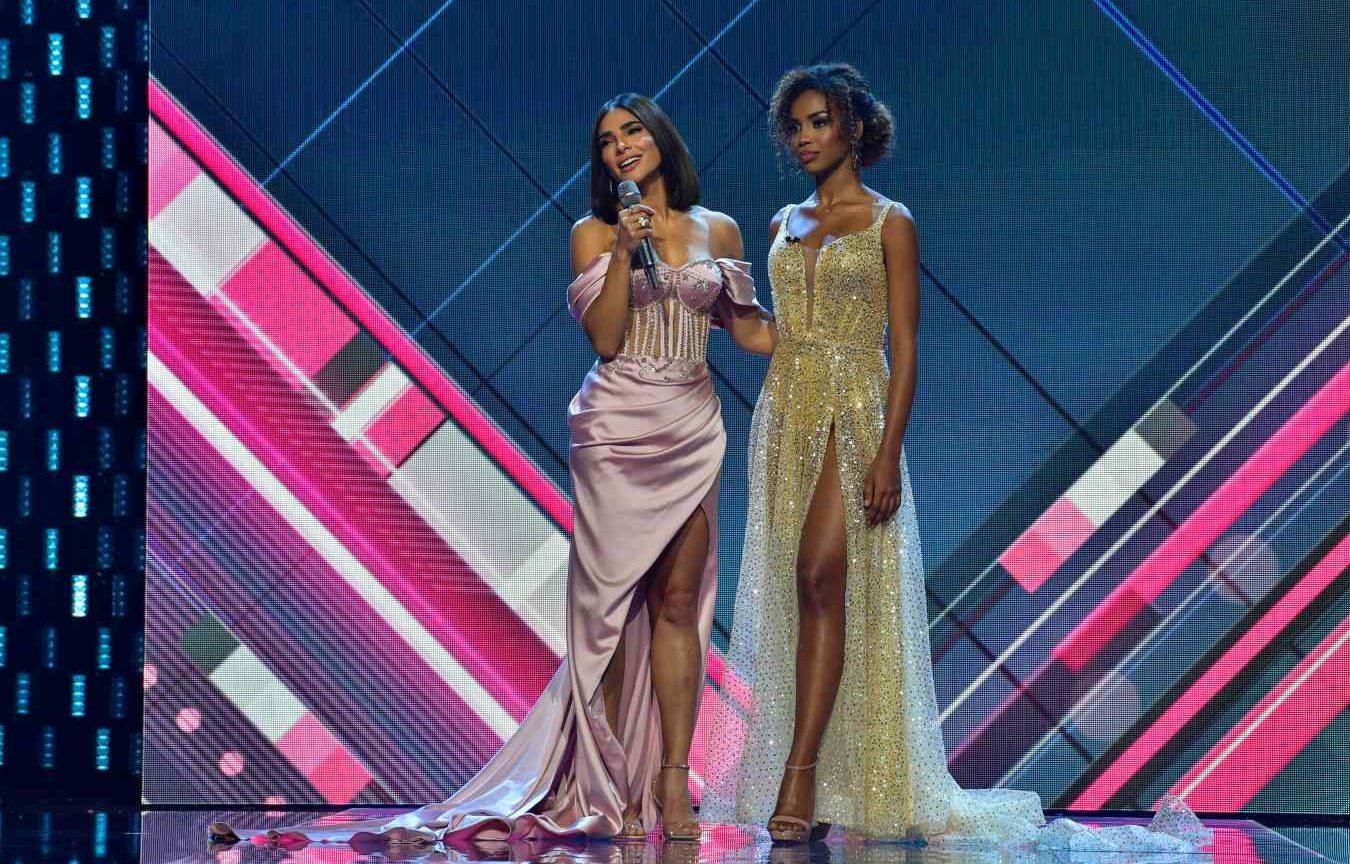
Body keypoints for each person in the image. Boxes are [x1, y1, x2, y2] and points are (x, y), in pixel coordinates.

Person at [209, 92, 773, 847]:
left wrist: (819, 330)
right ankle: (606, 783)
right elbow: (606, 338)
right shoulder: (592, 232)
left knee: (678, 604)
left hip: (692, 426)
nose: (620, 147)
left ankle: (673, 782)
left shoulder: (719, 229)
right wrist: (620, 253)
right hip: (617, 429)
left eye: (632, 131)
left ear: (661, 138)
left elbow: (748, 332)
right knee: (610, 617)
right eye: (607, 140)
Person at [701, 64, 1207, 854]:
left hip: (857, 411)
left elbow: (905, 347)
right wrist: (729, 313)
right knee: (800, 592)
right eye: (793, 126)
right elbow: (776, 336)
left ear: (854, 129)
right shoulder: (781, 223)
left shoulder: (890, 221)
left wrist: (887, 454)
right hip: (787, 412)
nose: (803, 137)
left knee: (821, 573)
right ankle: (822, 779)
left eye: (818, 121)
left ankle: (800, 773)